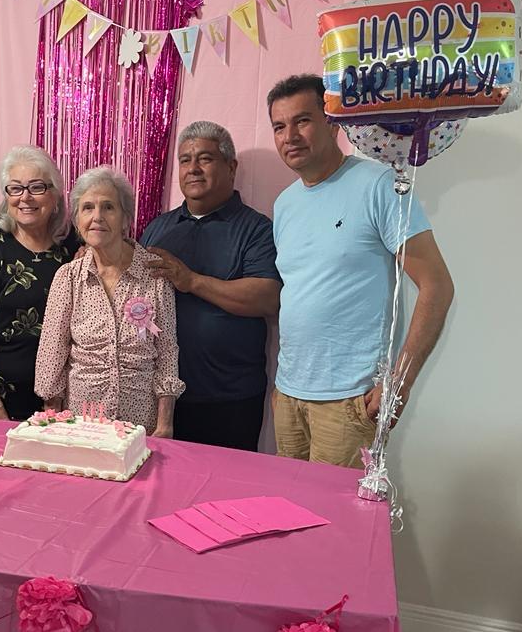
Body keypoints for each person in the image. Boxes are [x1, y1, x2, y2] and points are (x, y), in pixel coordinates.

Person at [268, 74, 455, 467]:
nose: (290, 137)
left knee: (335, 510)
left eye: (302, 121)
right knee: (288, 505)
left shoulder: (378, 184)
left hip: (350, 402)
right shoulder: (284, 204)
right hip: (289, 396)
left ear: (332, 122)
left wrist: (398, 384)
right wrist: (282, 389)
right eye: (279, 127)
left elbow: (437, 286)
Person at [140, 121, 280, 451]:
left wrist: (191, 280)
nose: (193, 168)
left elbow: (267, 298)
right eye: (185, 160)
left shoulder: (256, 229)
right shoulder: (158, 228)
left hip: (229, 397)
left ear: (231, 167)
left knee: (228, 484)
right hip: (162, 395)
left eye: (205, 158)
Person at [35, 167, 184, 435]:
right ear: (77, 220)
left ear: (126, 218)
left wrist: (165, 425)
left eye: (108, 207)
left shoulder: (155, 274)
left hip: (141, 426)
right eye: (87, 208)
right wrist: (52, 424)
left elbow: (167, 353)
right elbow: (51, 357)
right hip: (81, 425)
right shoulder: (68, 278)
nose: (97, 217)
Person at [0, 146, 78, 421]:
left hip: (63, 403)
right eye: (15, 188)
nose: (25, 197)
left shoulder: (73, 245)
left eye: (36, 187)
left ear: (55, 194)